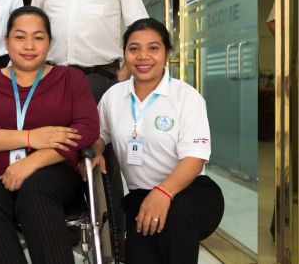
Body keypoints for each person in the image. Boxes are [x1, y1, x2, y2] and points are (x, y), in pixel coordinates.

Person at [31, 0, 149, 244]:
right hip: (53, 81)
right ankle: (60, 230)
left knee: (102, 158)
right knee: (54, 151)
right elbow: (34, 30)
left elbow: (138, 28)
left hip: (102, 80)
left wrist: (124, 75)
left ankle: (113, 239)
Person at [0, 6, 99, 264]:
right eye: (20, 37)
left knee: (35, 192)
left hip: (56, 174)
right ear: (6, 42)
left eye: (38, 37)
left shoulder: (71, 79)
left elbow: (87, 128)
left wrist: (32, 161)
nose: (29, 45)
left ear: (50, 43)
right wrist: (31, 137)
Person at [91, 18, 224, 264]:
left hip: (191, 193)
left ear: (167, 53)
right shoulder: (113, 96)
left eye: (153, 48)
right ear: (124, 55)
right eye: (134, 49)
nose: (143, 56)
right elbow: (99, 135)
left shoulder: (186, 97)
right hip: (140, 198)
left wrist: (163, 192)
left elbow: (195, 158)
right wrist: (96, 150)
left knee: (176, 217)